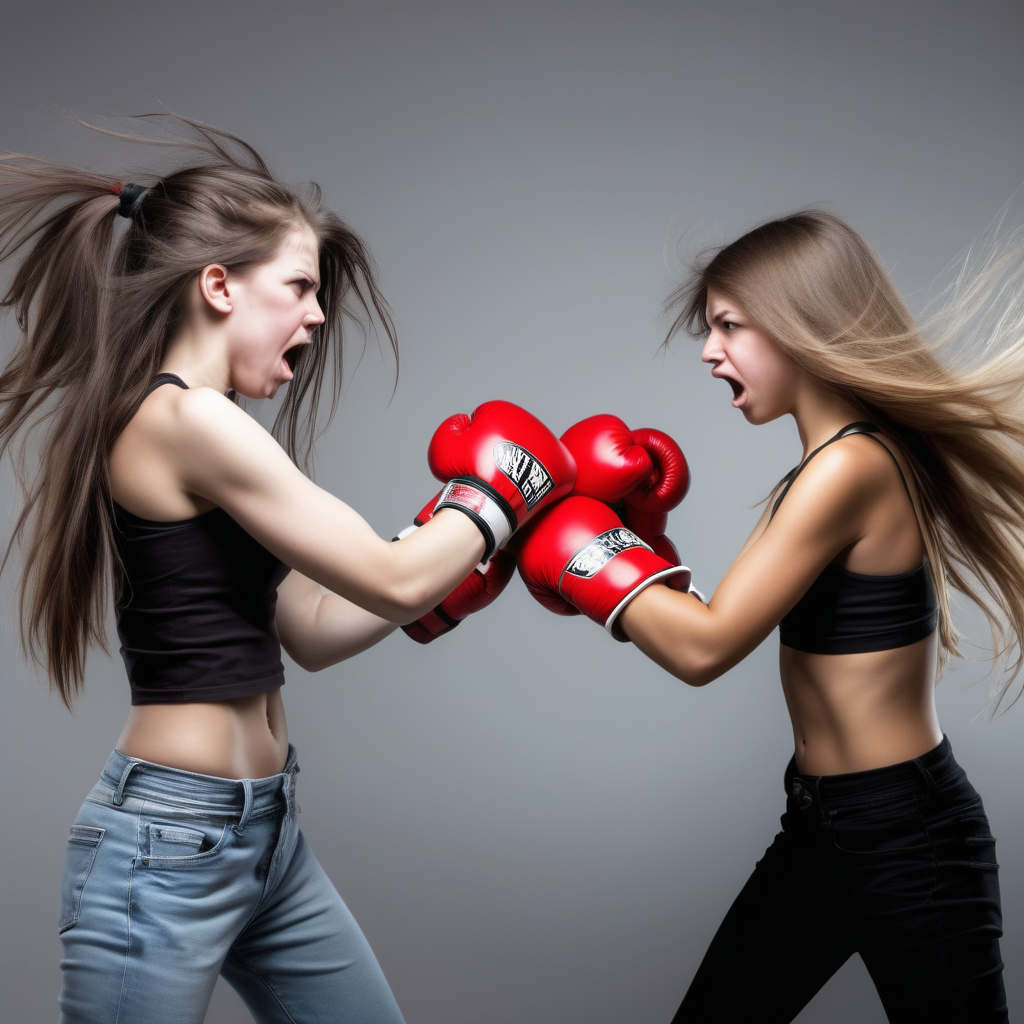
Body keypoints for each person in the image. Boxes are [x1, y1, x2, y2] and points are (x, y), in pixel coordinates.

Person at [0, 116, 574, 1024]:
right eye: (299, 287)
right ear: (218, 286)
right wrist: (504, 496)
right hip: (167, 843)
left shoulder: (212, 427)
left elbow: (308, 629)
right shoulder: (186, 421)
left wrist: (452, 576)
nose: (315, 314)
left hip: (262, 834)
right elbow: (388, 578)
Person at [515, 211, 1021, 1021]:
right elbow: (708, 616)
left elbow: (704, 649)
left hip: (906, 834)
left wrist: (584, 550)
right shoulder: (819, 471)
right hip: (825, 828)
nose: (710, 351)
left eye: (728, 326)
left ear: (802, 324)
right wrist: (633, 544)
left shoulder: (852, 466)